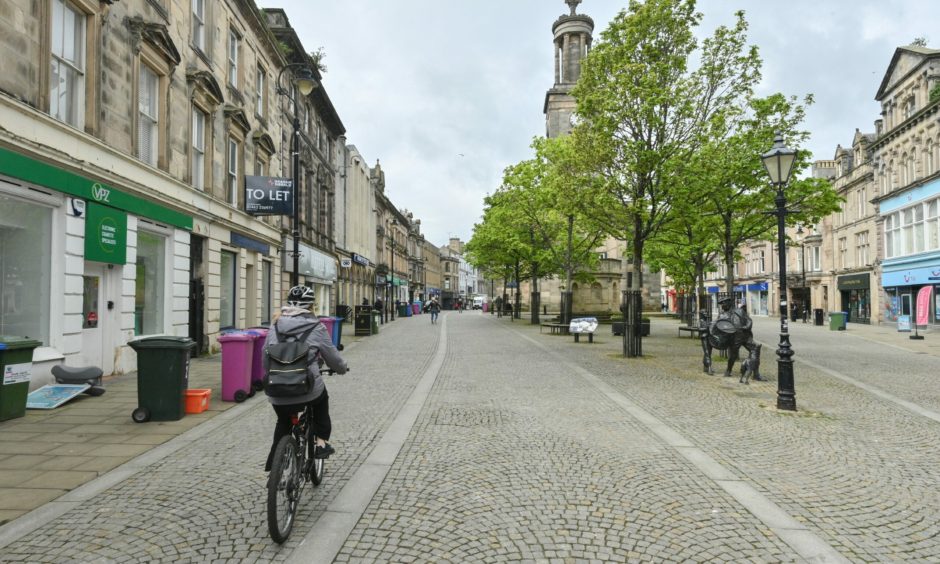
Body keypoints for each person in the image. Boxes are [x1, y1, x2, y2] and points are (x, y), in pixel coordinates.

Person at [264, 285, 348, 471]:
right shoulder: (317, 327)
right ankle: (321, 444)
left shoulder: (276, 325)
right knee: (321, 402)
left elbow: (265, 356)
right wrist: (342, 368)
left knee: (283, 420)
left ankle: (275, 462)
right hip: (307, 388)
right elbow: (333, 358)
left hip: (277, 389)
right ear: (311, 306)